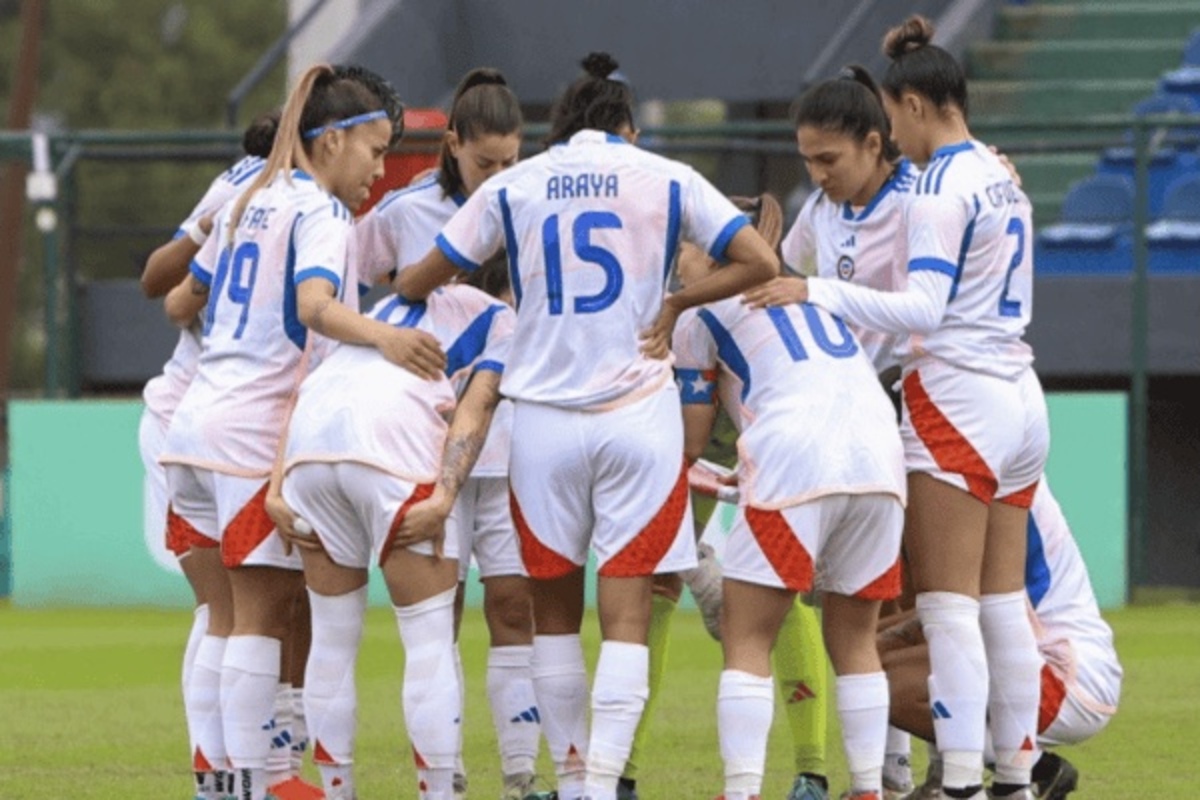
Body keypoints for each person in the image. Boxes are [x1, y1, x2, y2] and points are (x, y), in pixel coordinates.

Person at [397, 51, 780, 800]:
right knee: (628, 614)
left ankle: (572, 783)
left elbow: (421, 277)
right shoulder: (667, 176)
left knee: (551, 617)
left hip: (541, 422)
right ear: (627, 128)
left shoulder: (516, 184)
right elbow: (760, 259)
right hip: (638, 415)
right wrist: (675, 307)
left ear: (557, 129)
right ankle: (605, 783)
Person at [761, 17, 1051, 799]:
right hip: (1020, 391)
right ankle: (1016, 779)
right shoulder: (997, 170)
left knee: (950, 608)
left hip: (958, 391)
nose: (890, 133)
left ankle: (958, 780)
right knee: (1001, 603)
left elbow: (922, 306)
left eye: (890, 116)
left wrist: (811, 286)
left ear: (915, 105)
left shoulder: (935, 191)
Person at [159, 63, 433, 800]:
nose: (380, 168)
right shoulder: (320, 212)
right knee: (262, 614)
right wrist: (383, 336)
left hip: (193, 425)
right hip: (251, 434)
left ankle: (223, 781)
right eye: (374, 150)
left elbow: (183, 299)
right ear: (334, 139)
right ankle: (256, 782)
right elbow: (314, 306)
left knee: (223, 615)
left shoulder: (253, 196)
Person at [672, 194, 905, 800]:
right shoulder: (814, 296)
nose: (679, 263)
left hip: (794, 460)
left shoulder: (699, 318)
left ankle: (743, 790)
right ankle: (867, 789)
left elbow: (692, 439)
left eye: (688, 248)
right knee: (855, 641)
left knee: (748, 636)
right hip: (882, 461)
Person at [355, 67, 539, 800]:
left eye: (511, 162)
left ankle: (523, 775)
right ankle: (447, 771)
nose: (498, 176)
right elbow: (343, 292)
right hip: (427, 447)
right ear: (453, 143)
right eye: (484, 162)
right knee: (444, 611)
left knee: (515, 604)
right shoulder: (403, 214)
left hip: (516, 434)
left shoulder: (533, 207)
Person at [276, 255, 516, 800]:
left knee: (332, 640)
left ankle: (338, 793)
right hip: (389, 446)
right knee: (429, 642)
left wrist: (275, 489)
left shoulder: (377, 309)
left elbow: (306, 391)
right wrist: (445, 496)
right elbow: (475, 409)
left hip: (309, 453)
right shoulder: (503, 318)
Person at [140, 110, 323, 800]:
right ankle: (241, 774)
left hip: (216, 418)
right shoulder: (259, 193)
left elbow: (170, 296)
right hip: (217, 419)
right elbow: (165, 288)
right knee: (240, 606)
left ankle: (243, 772)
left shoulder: (258, 192)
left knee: (265, 603)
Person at [878, 481, 1122, 800]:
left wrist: (877, 640)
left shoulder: (983, 476)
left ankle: (1029, 770)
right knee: (884, 657)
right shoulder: (977, 466)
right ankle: (944, 778)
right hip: (1049, 661)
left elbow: (967, 610)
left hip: (1064, 676)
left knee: (880, 679)